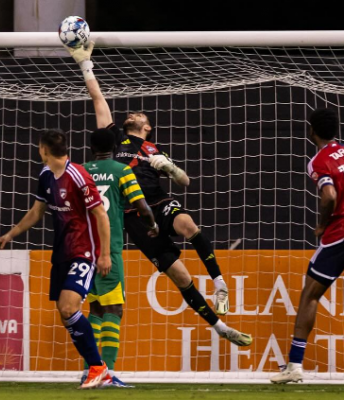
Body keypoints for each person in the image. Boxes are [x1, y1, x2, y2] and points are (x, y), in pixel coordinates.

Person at [67, 42, 251, 347]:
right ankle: (220, 327)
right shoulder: (116, 140)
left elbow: (186, 181)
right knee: (181, 278)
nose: (135, 113)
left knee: (189, 225)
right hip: (133, 218)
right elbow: (98, 100)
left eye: (141, 115)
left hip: (158, 203)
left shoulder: (154, 149)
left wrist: (168, 166)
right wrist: (85, 63)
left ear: (147, 128)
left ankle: (220, 284)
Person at [270, 109, 344, 390]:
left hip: (341, 235)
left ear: (312, 131)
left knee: (309, 296)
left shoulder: (318, 161)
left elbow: (330, 196)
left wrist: (322, 225)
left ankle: (295, 366)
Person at [0, 129, 113, 389]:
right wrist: (11, 234)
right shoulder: (46, 175)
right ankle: (98, 368)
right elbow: (37, 211)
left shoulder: (78, 176)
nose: (39, 152)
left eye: (39, 148)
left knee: (69, 307)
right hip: (61, 253)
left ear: (44, 150)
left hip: (84, 252)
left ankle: (97, 367)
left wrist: (104, 254)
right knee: (64, 311)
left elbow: (101, 215)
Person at [81, 127, 159, 387]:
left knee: (94, 308)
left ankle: (90, 370)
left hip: (85, 249)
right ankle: (108, 371)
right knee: (114, 309)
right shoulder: (122, 170)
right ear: (115, 147)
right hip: (109, 247)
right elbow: (141, 206)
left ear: (91, 148)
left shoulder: (80, 172)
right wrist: (152, 225)